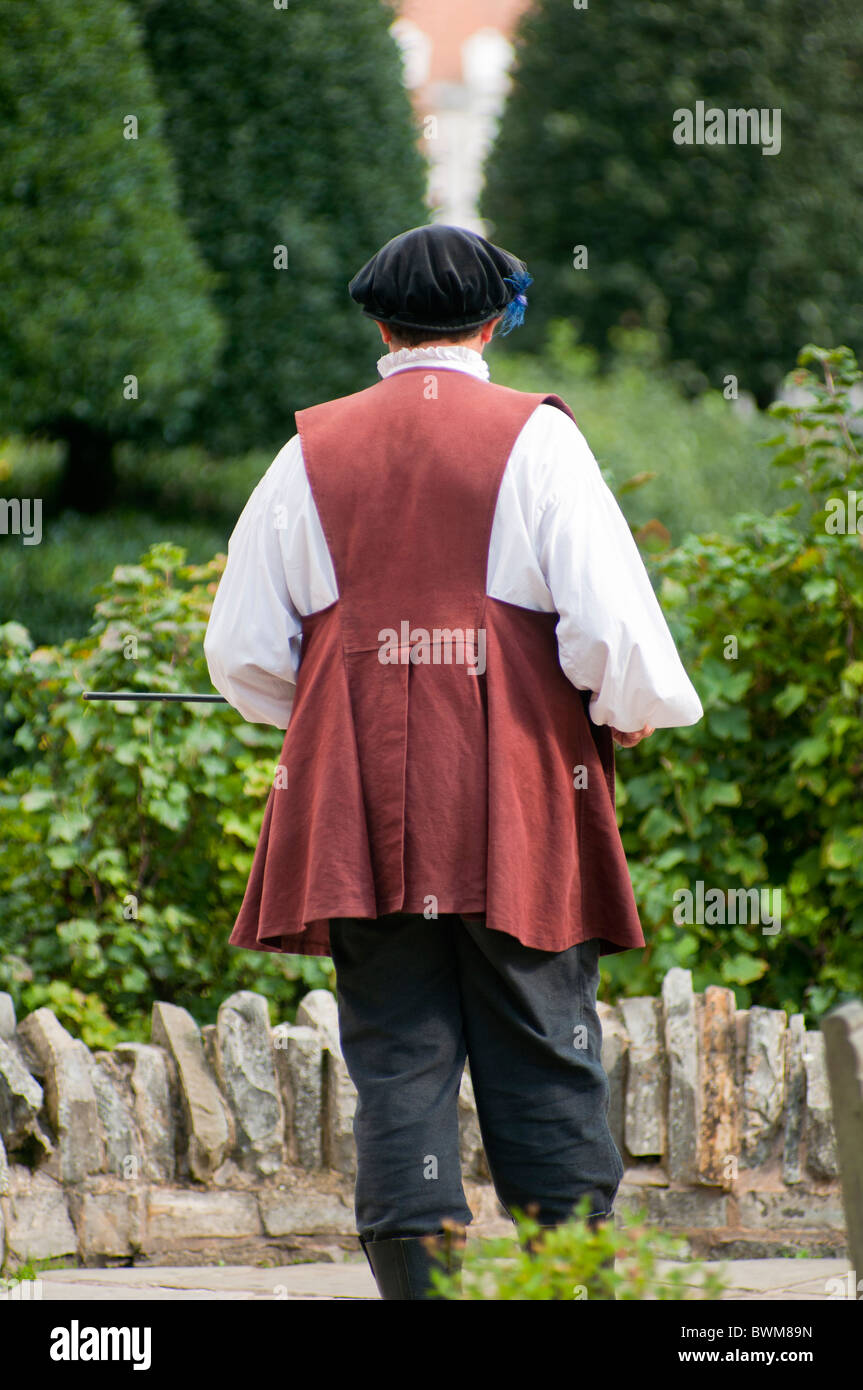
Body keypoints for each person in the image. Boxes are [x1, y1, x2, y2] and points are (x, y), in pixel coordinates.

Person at [203, 223, 703, 1300]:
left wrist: (348, 705)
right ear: (491, 322)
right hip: (519, 785)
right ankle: (566, 1289)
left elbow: (243, 654)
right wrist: (628, 712)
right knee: (544, 1037)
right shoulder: (538, 440)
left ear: (379, 326)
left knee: (396, 1054)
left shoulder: (307, 450)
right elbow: (611, 637)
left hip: (360, 794)